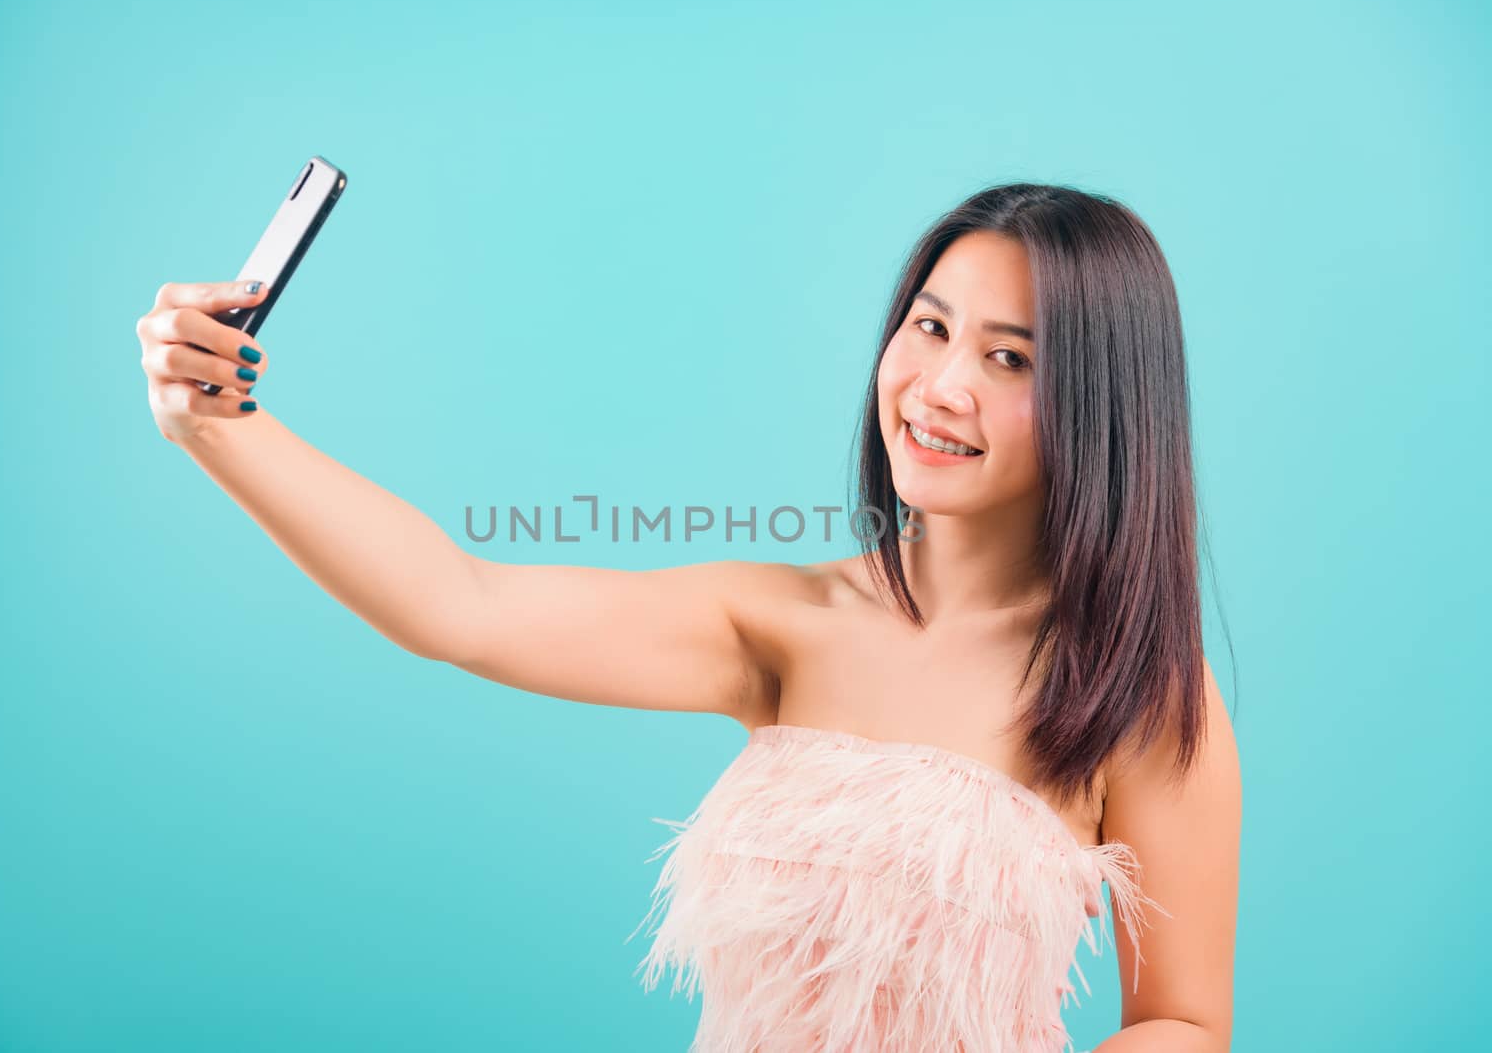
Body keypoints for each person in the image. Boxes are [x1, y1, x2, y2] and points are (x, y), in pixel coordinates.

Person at [134, 181, 1240, 1052]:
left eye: (1007, 358)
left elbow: (1184, 1022)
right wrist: (219, 428)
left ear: (1103, 403)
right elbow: (458, 605)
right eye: (928, 327)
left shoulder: (1138, 697)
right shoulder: (779, 624)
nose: (938, 385)